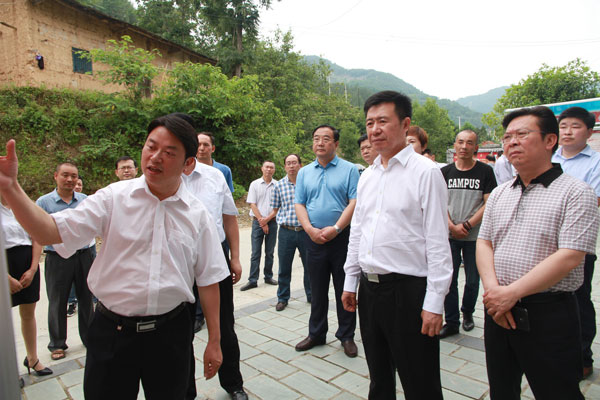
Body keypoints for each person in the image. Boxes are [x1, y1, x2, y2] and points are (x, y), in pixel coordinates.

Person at [0, 114, 228, 399]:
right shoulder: (113, 198)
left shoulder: (197, 214)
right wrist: (10, 187)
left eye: (169, 153)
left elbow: (208, 280)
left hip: (171, 335)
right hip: (112, 333)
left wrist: (215, 341)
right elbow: (48, 231)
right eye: (151, 146)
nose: (155, 157)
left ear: (188, 164)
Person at [477, 106, 599, 399]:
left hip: (548, 313)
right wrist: (495, 292)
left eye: (522, 134)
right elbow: (484, 242)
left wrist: (512, 293)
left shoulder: (576, 192)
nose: (512, 142)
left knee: (557, 391)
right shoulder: (500, 193)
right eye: (507, 137)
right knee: (502, 390)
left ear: (549, 141)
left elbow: (571, 255)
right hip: (498, 310)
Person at [341, 91, 452, 399]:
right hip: (370, 291)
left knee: (420, 381)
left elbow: (438, 242)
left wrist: (434, 303)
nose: (375, 130)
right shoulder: (368, 175)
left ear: (405, 124)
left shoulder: (426, 173)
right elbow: (358, 231)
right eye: (369, 123)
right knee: (379, 379)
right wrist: (351, 281)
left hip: (409, 292)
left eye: (383, 121)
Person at [182, 122, 247, 399]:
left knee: (224, 324)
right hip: (179, 259)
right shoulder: (167, 176)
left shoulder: (215, 176)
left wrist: (235, 257)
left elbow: (229, 218)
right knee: (180, 329)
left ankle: (233, 383)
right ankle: (185, 390)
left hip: (216, 254)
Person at [294, 124, 359, 358]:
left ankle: (347, 335)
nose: (320, 143)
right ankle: (317, 333)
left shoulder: (350, 169)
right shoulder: (304, 172)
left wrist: (337, 228)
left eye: (326, 139)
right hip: (313, 239)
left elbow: (354, 202)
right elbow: (299, 203)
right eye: (316, 138)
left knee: (345, 287)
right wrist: (309, 229)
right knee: (317, 289)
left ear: (336, 144)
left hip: (341, 239)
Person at [552, 106, 600, 380]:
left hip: (576, 245)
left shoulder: (596, 162)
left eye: (575, 126)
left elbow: (592, 200)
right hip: (545, 243)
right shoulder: (549, 157)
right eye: (563, 126)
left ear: (589, 132)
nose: (568, 132)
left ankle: (583, 357)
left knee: (578, 300)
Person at [439, 130, 497, 338]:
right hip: (449, 236)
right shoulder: (444, 172)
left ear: (476, 148)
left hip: (476, 237)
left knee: (473, 279)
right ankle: (451, 321)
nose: (464, 146)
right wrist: (451, 226)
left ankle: (468, 312)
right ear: (455, 145)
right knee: (449, 279)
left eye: (469, 143)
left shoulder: (486, 171)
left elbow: (489, 202)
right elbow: (438, 202)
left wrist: (467, 225)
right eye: (461, 142)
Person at [36, 163, 95, 361]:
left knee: (86, 298)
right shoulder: (44, 202)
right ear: (56, 176)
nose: (70, 179)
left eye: (74, 176)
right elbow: (37, 230)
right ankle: (57, 343)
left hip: (83, 254)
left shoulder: (85, 200)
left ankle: (89, 337)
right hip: (57, 258)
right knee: (57, 301)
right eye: (65, 175)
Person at [3, 197, 53, 378]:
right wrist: (5, 277)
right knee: (4, 321)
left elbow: (37, 237)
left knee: (28, 313)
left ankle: (32, 358)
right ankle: (8, 369)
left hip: (27, 263)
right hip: (4, 265)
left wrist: (32, 269)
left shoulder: (22, 206)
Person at [271, 154, 311, 312]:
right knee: (284, 267)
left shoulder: (307, 184)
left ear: (300, 165)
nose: (291, 166)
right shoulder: (279, 186)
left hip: (305, 231)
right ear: (285, 167)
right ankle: (282, 298)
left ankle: (311, 295)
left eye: (294, 163)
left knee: (310, 266)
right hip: (286, 232)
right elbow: (275, 208)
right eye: (288, 163)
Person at [240, 161, 278, 291]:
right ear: (262, 169)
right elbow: (252, 204)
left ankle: (268, 276)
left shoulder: (277, 185)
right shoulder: (254, 184)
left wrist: (267, 220)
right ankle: (253, 280)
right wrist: (262, 222)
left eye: (271, 167)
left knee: (270, 252)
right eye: (267, 167)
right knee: (255, 252)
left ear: (274, 170)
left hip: (272, 222)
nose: (269, 169)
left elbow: (278, 206)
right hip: (257, 223)